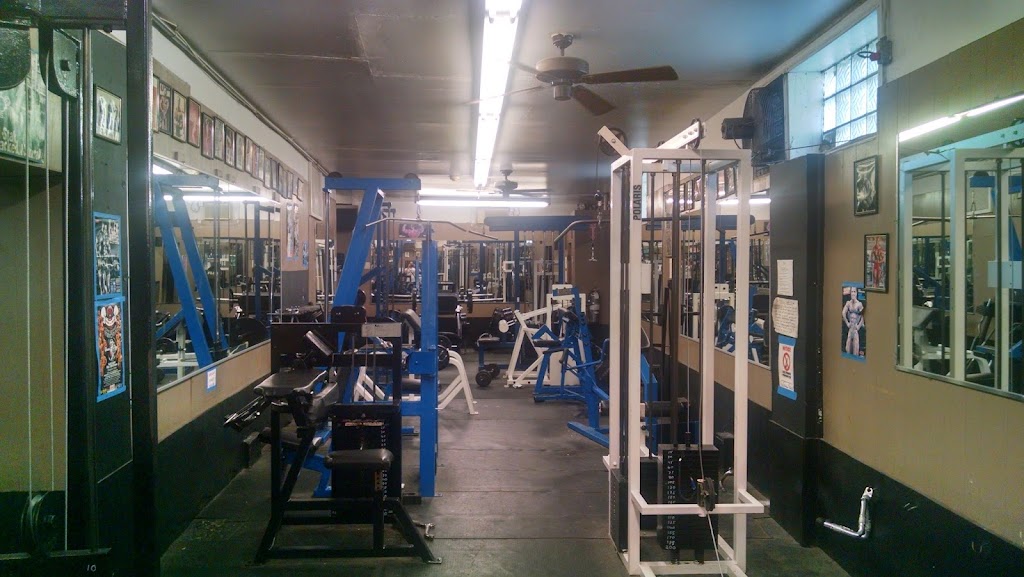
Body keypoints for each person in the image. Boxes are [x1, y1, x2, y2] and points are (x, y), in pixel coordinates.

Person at [843, 287, 865, 356]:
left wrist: (858, 326)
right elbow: (843, 313)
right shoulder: (848, 303)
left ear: (856, 293)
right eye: (852, 292)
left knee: (855, 351)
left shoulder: (859, 304)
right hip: (850, 329)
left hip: (855, 330)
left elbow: (863, 316)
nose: (853, 293)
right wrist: (847, 323)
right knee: (847, 349)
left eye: (854, 292)